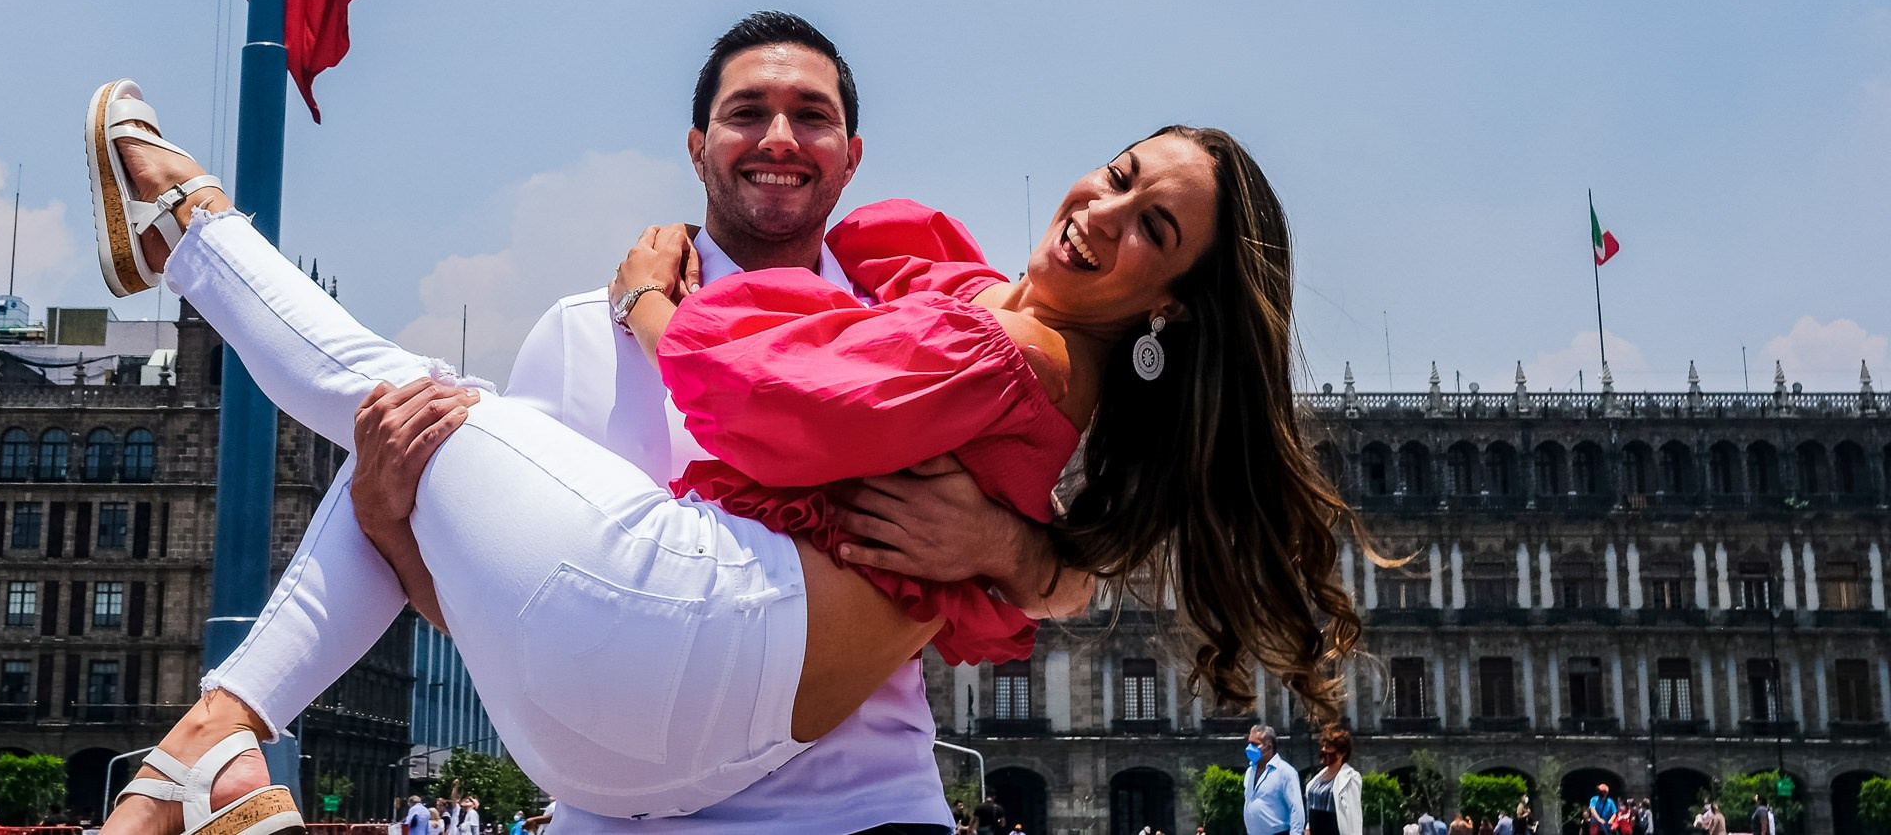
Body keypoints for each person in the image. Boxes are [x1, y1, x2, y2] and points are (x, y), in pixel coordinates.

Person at [89, 46, 1357, 824]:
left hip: (792, 766)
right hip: (620, 775)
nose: (778, 137)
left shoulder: (917, 338)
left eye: (812, 116)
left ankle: (189, 227)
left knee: (411, 394)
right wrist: (397, 529)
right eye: (747, 111)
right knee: (400, 438)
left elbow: (770, 410)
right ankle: (194, 759)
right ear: (696, 144)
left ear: (850, 153)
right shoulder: (603, 335)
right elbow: (525, 604)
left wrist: (1021, 554)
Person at [1243, 725, 1304, 835]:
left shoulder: (1285, 772)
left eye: (1255, 744)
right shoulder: (1250, 772)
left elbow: (1296, 808)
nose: (1249, 748)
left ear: (1269, 746)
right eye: (1249, 743)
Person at [1305, 724, 1361, 835]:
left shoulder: (1350, 778)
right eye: (1323, 746)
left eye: (1328, 748)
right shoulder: (1317, 779)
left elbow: (1353, 815)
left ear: (1341, 753)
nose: (1323, 750)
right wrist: (1308, 828)